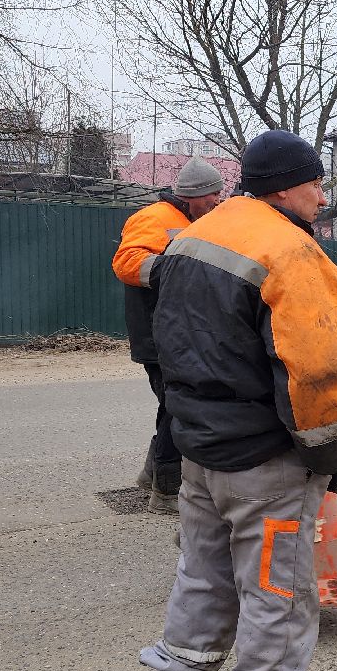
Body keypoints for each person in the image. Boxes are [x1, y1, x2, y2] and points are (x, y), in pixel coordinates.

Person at [139, 129, 337, 671]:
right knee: (276, 597)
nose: (323, 197)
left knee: (202, 576)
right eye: (318, 184)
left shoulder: (194, 237)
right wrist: (327, 458)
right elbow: (318, 371)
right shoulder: (289, 252)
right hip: (264, 463)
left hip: (201, 452)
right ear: (288, 185)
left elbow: (167, 342)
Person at [111, 157, 227, 513]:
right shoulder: (155, 218)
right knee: (178, 408)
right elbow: (126, 263)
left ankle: (153, 475)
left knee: (172, 405)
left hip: (177, 332)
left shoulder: (191, 220)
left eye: (219, 195)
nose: (216, 202)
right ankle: (165, 490)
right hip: (158, 333)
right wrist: (178, 270)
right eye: (211, 196)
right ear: (193, 194)